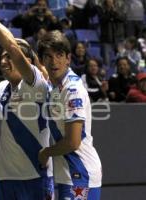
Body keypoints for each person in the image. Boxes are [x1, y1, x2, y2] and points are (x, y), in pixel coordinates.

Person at [0, 14, 54, 200]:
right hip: (5, 178)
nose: (3, 62)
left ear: (26, 61)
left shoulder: (37, 85)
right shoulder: (1, 89)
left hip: (36, 177)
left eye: (9, 57)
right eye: (2, 58)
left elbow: (13, 47)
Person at [37, 30, 102, 200]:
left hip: (80, 173)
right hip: (69, 174)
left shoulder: (72, 90)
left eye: (59, 55)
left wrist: (45, 153)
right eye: (48, 57)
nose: (54, 61)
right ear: (43, 61)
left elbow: (73, 142)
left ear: (68, 58)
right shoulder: (55, 86)